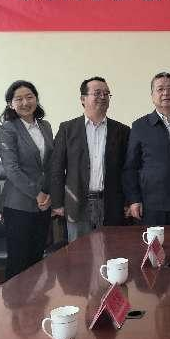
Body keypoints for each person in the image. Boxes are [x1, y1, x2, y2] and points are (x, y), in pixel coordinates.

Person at [50, 76, 130, 241]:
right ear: (83, 99)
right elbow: (56, 167)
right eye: (97, 93)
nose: (103, 97)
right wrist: (57, 202)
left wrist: (129, 201)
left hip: (111, 204)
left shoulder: (122, 130)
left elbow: (127, 170)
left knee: (112, 250)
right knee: (80, 253)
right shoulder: (67, 129)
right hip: (77, 203)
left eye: (106, 93)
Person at [123, 72, 170, 226]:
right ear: (152, 96)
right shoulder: (139, 126)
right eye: (160, 89)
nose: (165, 93)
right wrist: (134, 199)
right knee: (154, 242)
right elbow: (131, 167)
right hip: (151, 206)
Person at [0, 80, 54, 279]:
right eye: (18, 99)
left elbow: (50, 164)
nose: (25, 103)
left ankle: (34, 299)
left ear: (36, 99)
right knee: (18, 261)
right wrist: (37, 194)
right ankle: (14, 299)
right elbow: (11, 169)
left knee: (37, 259)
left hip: (44, 203)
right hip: (18, 204)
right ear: (10, 104)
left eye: (29, 97)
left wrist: (49, 193)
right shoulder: (8, 129)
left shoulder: (45, 126)